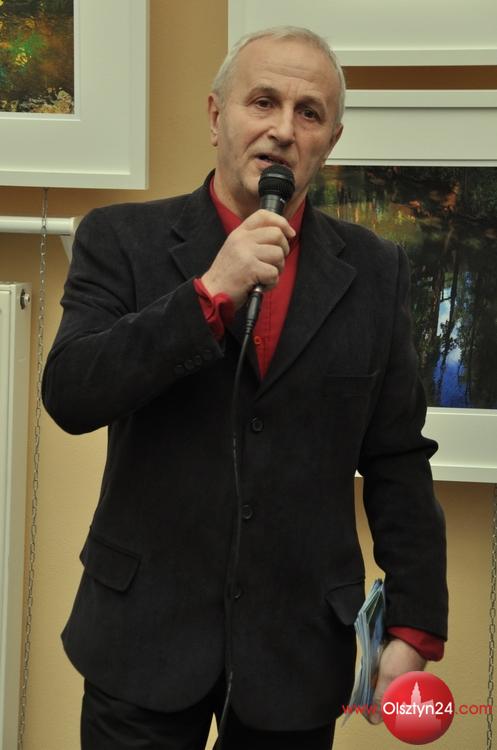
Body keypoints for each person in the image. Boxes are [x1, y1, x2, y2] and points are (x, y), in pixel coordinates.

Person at [42, 26, 448, 750]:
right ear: (215, 115)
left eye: (308, 112)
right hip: (141, 639)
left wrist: (413, 627)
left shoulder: (375, 271)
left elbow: (397, 457)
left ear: (330, 140)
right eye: (263, 102)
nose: (283, 129)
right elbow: (72, 393)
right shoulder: (120, 239)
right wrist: (207, 293)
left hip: (297, 653)